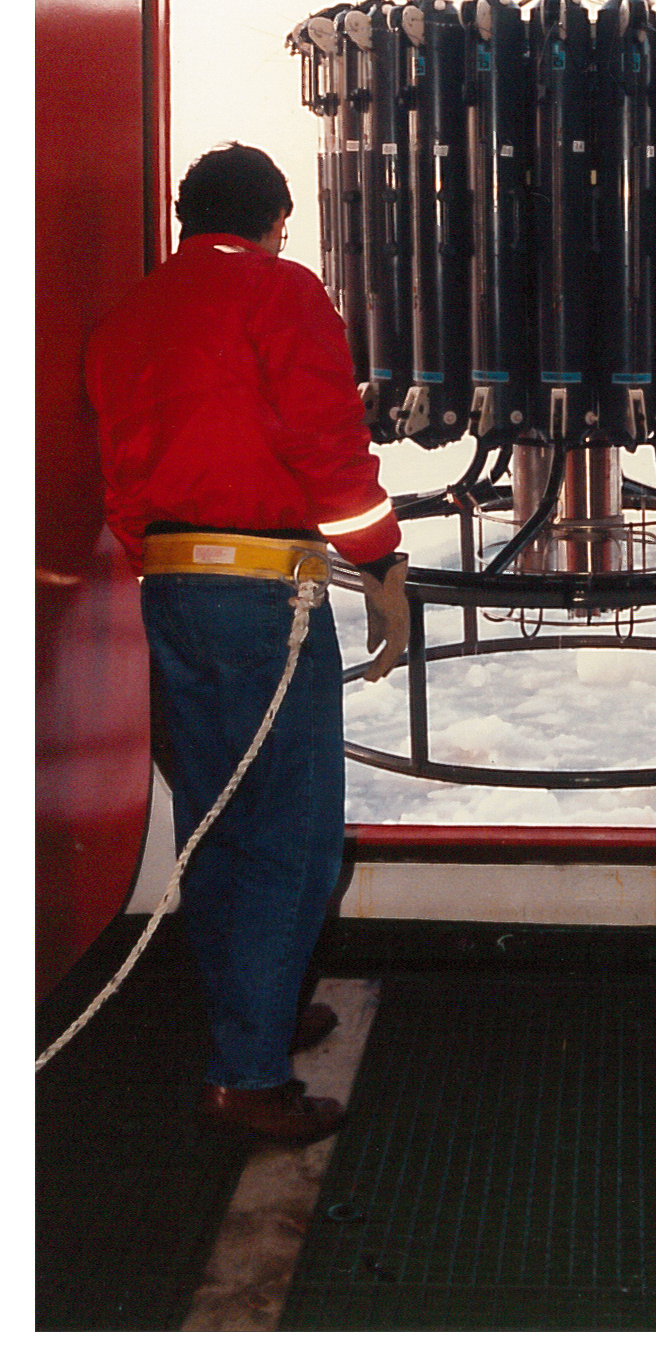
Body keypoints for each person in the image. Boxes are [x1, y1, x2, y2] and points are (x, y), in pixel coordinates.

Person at [85, 143, 411, 1142]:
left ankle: (256, 1011)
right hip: (264, 598)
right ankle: (247, 1078)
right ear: (276, 220)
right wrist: (384, 566)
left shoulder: (129, 314)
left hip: (170, 590)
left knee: (218, 820)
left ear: (185, 218)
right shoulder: (283, 293)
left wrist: (168, 573)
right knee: (294, 841)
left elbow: (125, 476)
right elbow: (327, 446)